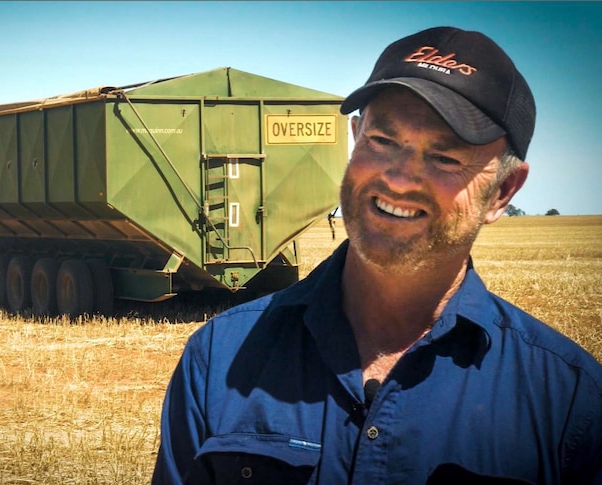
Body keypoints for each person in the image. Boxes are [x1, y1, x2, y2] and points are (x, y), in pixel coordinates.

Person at [152, 26, 602, 484]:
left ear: (503, 191)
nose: (401, 178)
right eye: (383, 141)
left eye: (444, 158)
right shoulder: (219, 360)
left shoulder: (566, 401)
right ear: (355, 136)